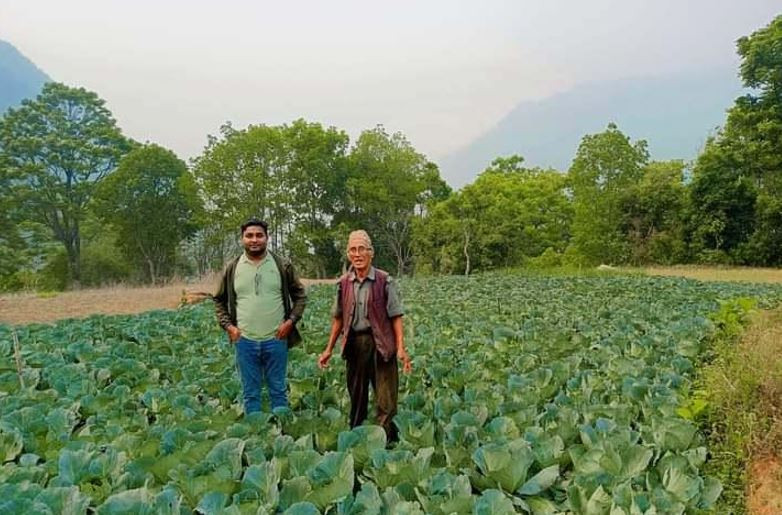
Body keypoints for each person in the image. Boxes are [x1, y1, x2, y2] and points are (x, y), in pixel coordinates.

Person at [318, 230, 412, 441]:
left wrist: (401, 348)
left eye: (362, 249)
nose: (357, 254)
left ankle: (386, 440)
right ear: (348, 254)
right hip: (355, 343)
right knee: (357, 394)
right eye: (353, 249)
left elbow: (396, 316)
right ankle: (356, 439)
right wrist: (328, 350)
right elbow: (338, 319)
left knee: (386, 397)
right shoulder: (344, 283)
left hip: (382, 343)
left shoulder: (383, 280)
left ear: (371, 252)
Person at [214, 218, 307, 414]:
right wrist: (229, 327)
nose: (254, 240)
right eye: (249, 236)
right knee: (250, 393)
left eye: (259, 235)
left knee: (278, 390)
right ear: (242, 239)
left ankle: (282, 433)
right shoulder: (233, 268)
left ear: (266, 238)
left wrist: (290, 322)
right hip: (245, 340)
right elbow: (219, 300)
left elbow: (300, 296)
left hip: (276, 338)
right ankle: (256, 436)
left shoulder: (282, 265)